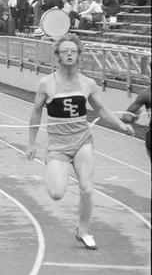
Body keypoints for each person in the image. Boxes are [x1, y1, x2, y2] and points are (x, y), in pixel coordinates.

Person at [26, 33, 135, 250]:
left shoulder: (88, 83)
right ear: (57, 55)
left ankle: (83, 231)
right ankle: (52, 166)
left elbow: (101, 109)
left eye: (73, 51)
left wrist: (121, 125)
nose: (69, 54)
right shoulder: (46, 83)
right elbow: (36, 112)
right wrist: (31, 143)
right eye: (65, 51)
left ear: (78, 55)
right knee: (56, 193)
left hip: (82, 141)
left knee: (87, 189)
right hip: (57, 143)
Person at [122, 86, 151, 157]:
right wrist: (132, 118)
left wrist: (130, 118)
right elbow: (127, 116)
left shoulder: (146, 93)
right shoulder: (146, 94)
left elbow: (127, 117)